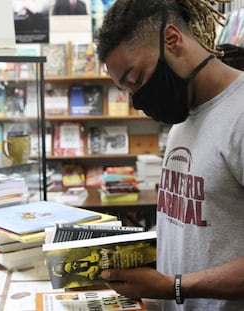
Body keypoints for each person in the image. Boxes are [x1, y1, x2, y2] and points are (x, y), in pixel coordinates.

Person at [96, 0, 244, 310]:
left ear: (172, 40)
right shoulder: (184, 115)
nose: (137, 100)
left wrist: (174, 286)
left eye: (136, 79)